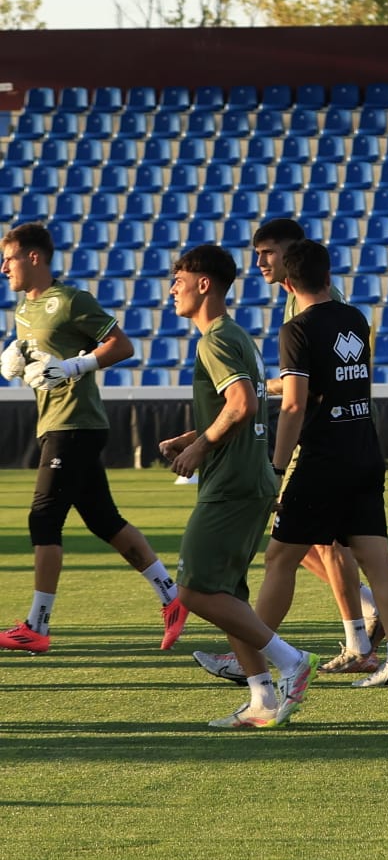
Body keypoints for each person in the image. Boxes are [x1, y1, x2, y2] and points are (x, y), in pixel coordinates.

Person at [0, 221, 186, 655]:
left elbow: (122, 346)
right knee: (105, 521)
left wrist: (74, 366)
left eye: (7, 258)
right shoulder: (23, 310)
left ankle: (37, 626)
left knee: (43, 519)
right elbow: (42, 354)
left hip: (76, 423)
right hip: (53, 423)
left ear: (33, 257)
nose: (2, 267)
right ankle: (172, 597)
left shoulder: (70, 300)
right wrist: (17, 352)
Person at [244, 239, 388, 688]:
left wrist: (277, 468)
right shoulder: (355, 319)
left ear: (287, 281)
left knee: (280, 557)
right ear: (328, 276)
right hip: (364, 450)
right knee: (377, 560)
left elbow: (293, 405)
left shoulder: (296, 331)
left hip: (323, 458)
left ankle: (248, 653)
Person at [158, 243, 317, 728]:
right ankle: (262, 700)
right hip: (251, 477)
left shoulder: (215, 339)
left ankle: (290, 662)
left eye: (178, 281)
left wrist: (200, 447)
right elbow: (244, 407)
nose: (171, 291)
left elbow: (243, 403)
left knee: (193, 591)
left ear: (204, 284)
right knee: (229, 595)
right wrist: (192, 435)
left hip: (230, 482)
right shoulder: (235, 335)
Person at [254, 217, 380, 673]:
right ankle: (363, 628)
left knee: (298, 546)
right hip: (341, 439)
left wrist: (277, 456)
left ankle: (251, 653)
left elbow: (309, 392)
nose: (261, 262)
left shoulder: (311, 313)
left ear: (292, 255)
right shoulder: (316, 309)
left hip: (324, 442)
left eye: (268, 252)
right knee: (317, 545)